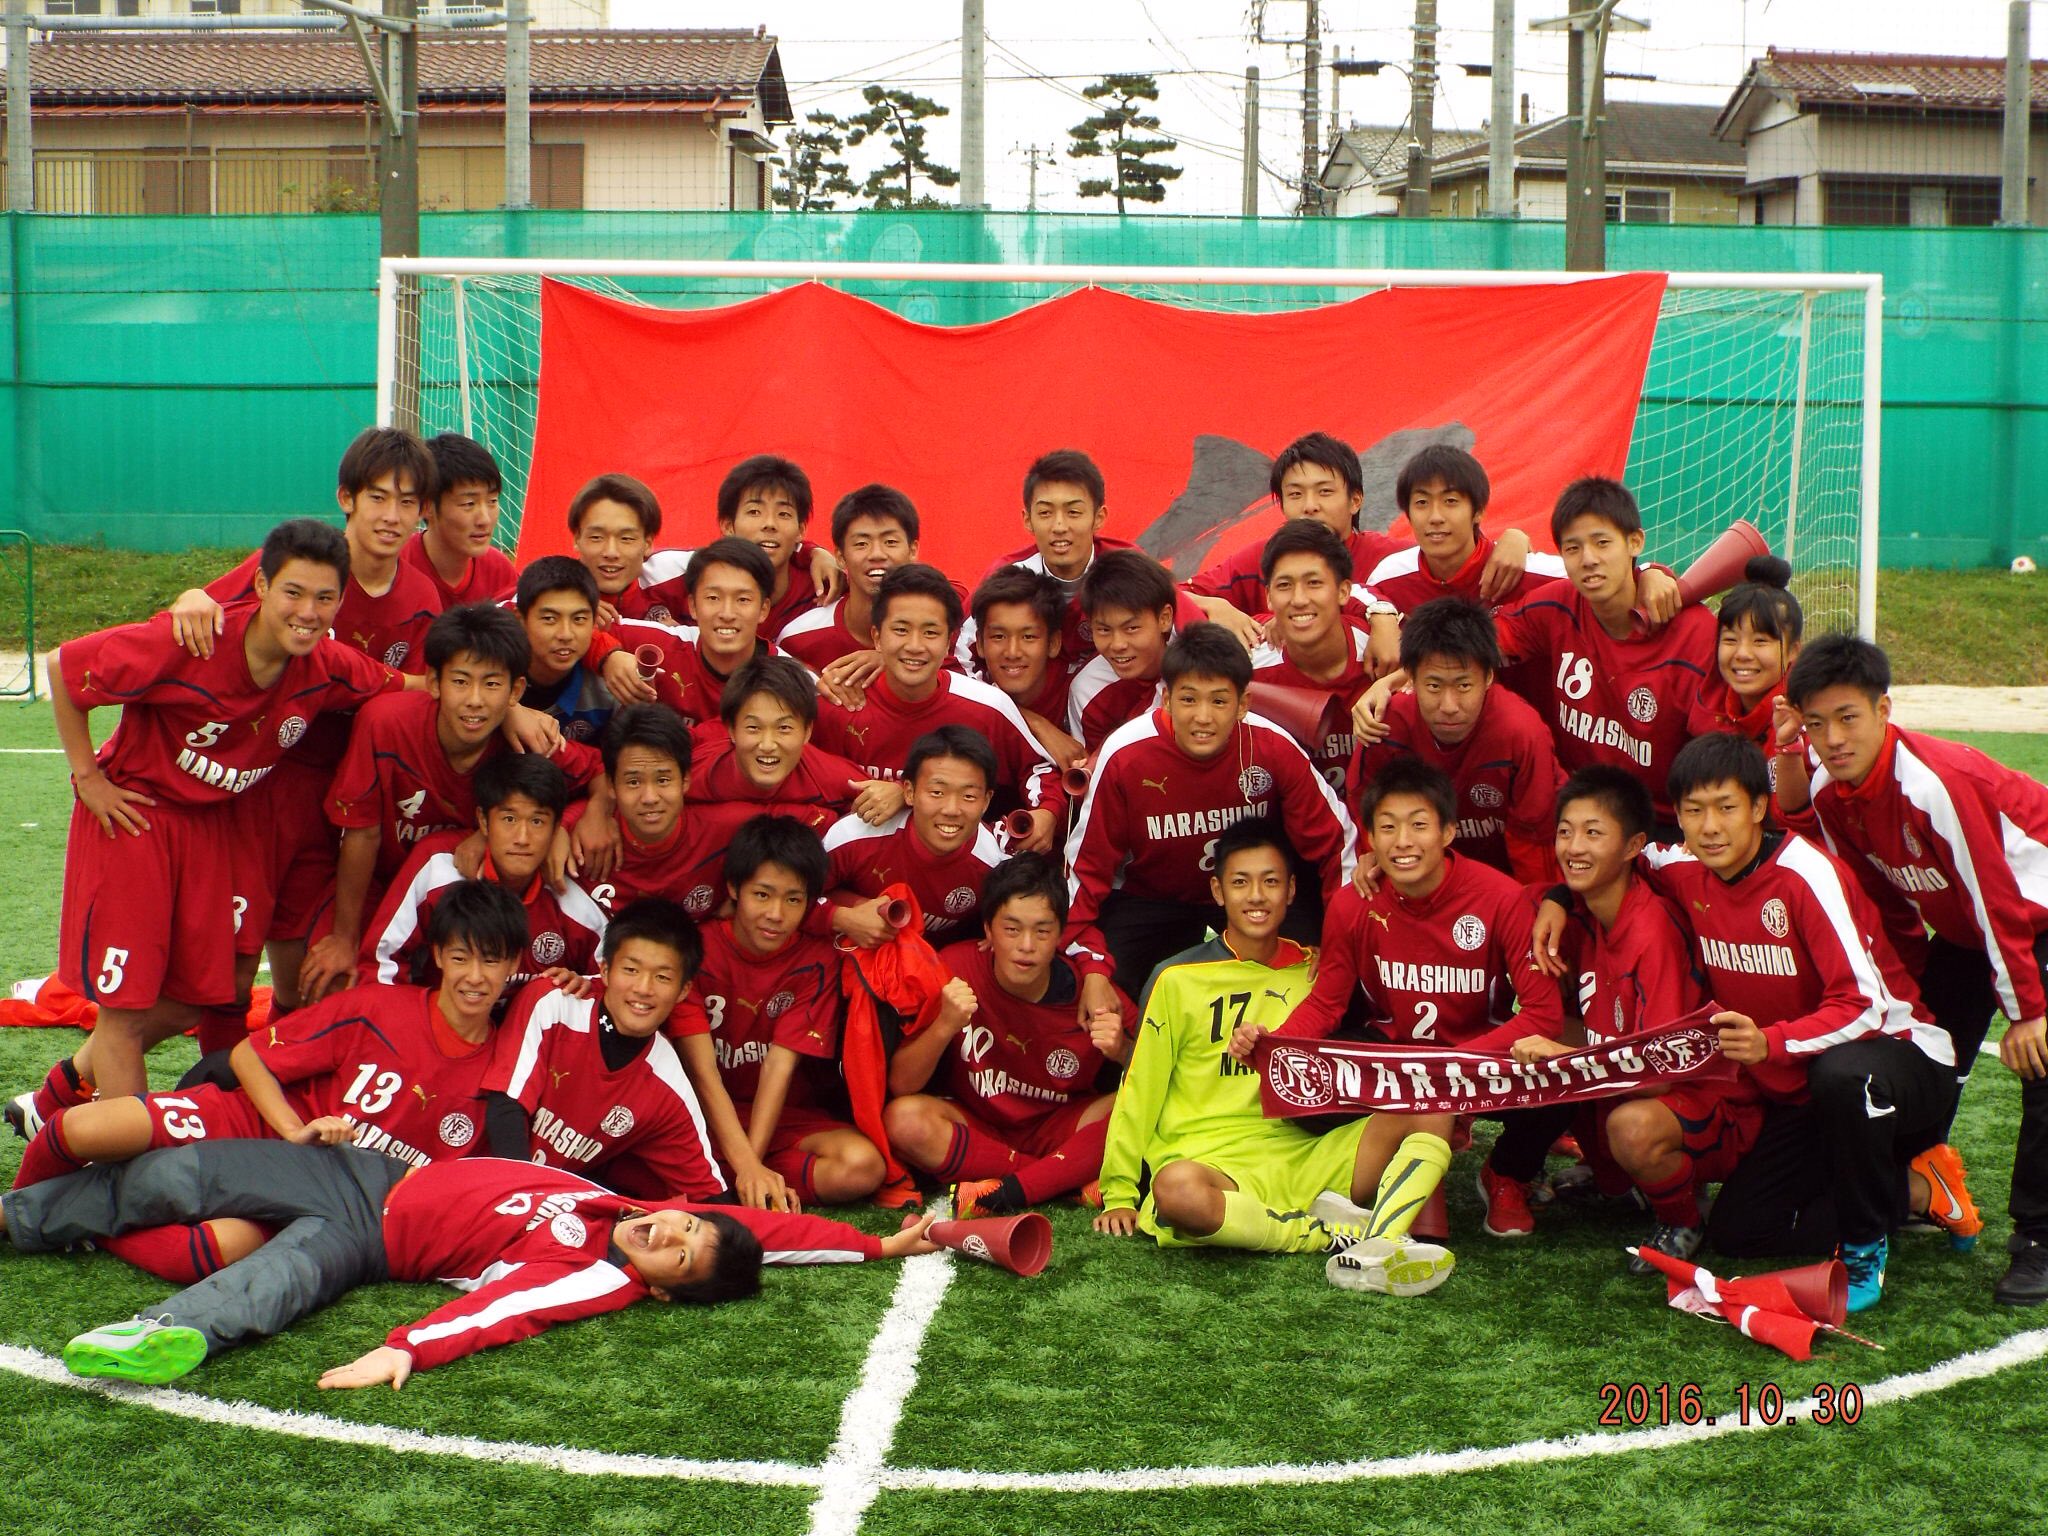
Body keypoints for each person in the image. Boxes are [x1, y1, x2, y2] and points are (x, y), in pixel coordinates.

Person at [3, 1139, 941, 1388]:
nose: (675, 1236)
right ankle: (17, 1220)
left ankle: (161, 1336)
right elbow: (756, 1229)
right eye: (685, 1228)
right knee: (171, 1177)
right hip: (363, 1169)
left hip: (367, 1238)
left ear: (660, 1289)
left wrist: (406, 1347)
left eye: (682, 1259)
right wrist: (874, 1245)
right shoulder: (632, 1209)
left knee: (276, 1283)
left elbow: (504, 1314)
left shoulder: (597, 1272)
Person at [27, 518, 404, 1119]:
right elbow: (64, 668)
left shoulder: (327, 665)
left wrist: (510, 710)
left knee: (194, 1001)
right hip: (137, 824)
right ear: (259, 585)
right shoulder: (192, 639)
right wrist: (88, 777)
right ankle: (130, 1171)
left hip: (210, 833)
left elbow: (415, 684)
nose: (308, 611)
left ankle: (58, 1098)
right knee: (125, 1013)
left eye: (325, 598)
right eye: (294, 593)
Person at [1585, 732, 1961, 1311]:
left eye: (1726, 807)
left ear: (1759, 807)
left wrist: (1771, 1042)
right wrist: (1559, 899)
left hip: (1899, 1055)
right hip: (1795, 1087)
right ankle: (1916, 1190)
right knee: (1739, 1233)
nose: (1709, 827)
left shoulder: (1807, 874)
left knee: (1843, 1075)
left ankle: (1863, 1248)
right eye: (1692, 810)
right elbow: (1616, 859)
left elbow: (1863, 1006)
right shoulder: (1684, 865)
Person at [12, 881, 529, 1281]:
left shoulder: (504, 1075)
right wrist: (290, 1127)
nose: (475, 977)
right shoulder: (378, 1008)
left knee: (211, 1250)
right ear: (438, 956)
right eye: (461, 958)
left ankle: (87, 1231)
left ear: (513, 965)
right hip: (254, 1124)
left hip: (309, 1190)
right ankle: (17, 1206)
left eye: (491, 960)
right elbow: (247, 1055)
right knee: (86, 1129)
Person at [1777, 634, 2046, 1305]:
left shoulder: (1935, 783)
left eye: (1848, 718)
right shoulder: (1826, 789)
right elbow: (1885, 903)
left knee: (2043, 1061)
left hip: (2030, 914)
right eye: (1816, 724)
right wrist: (1910, 992)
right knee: (1923, 1048)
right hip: (1968, 925)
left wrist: (2028, 1011)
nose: (1833, 738)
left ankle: (2038, 1238)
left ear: (1884, 710)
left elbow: (1997, 900)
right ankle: (1928, 1175)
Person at [1095, 819, 1456, 1297]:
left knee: (1434, 1105)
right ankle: (1327, 1236)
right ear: (1217, 891)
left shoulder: (1317, 970)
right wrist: (1119, 1192)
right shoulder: (1176, 978)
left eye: (1270, 882)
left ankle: (1380, 1238)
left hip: (1309, 1156)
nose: (1256, 896)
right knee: (1176, 1191)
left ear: (1290, 891)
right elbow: (1140, 1088)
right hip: (1212, 1165)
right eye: (1241, 882)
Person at [169, 430, 444, 1019]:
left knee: (307, 977)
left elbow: (421, 699)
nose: (391, 516)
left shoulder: (421, 597)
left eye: (407, 503)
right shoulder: (303, 566)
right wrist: (191, 595)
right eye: (377, 497)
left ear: (424, 512)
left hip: (338, 803)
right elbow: (201, 616)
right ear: (346, 498)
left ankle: (275, 1092)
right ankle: (207, 1090)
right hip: (253, 786)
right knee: (228, 975)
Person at [1248, 757, 1568, 1241]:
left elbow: (1544, 1012)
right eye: (1387, 827)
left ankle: (1506, 1173)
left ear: (1448, 832)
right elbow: (1328, 1002)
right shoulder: (1355, 902)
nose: (1402, 841)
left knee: (1561, 1076)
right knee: (1301, 1091)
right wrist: (1278, 1046)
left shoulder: (1501, 898)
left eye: (1418, 825)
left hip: (1476, 1062)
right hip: (1392, 1062)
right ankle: (1380, 1166)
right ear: (1370, 838)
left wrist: (1456, 1068)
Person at [1359, 476, 1711, 832]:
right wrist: (1390, 682)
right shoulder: (1556, 604)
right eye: (1573, 548)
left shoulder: (1694, 631)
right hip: (1578, 810)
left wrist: (1653, 570)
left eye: (1602, 543)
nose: (1588, 559)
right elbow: (1464, 647)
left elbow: (1717, 749)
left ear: (1635, 542)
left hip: (1670, 823)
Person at [307, 602, 606, 1000]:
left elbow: (602, 774)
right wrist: (344, 937)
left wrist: (565, 827)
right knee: (333, 981)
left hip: (462, 899)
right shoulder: (384, 723)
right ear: (434, 682)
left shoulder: (530, 741)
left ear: (516, 690)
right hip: (377, 884)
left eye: (493, 684)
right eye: (461, 681)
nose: (475, 700)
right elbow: (361, 835)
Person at [1514, 766, 1734, 1271]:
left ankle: (1684, 1215)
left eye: (1594, 833)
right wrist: (1554, 899)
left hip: (1701, 1102)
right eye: (1565, 832)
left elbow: (1661, 1072)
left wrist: (1566, 1058)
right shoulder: (1585, 913)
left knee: (1631, 1125)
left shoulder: (1651, 929)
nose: (1574, 847)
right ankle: (1615, 1179)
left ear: (1634, 845)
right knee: (1533, 1039)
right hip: (1628, 1078)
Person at [1066, 623, 1356, 998]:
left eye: (1219, 701)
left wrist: (1338, 940)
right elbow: (1085, 870)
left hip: (1258, 892)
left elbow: (1338, 845)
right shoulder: (1125, 754)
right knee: (1104, 986)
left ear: (1243, 704)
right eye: (1188, 700)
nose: (1203, 717)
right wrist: (1091, 966)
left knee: (1324, 976)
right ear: (1167, 699)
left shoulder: (1273, 745)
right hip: (1155, 900)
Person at [885, 854, 1135, 1215]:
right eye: (1012, 929)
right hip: (980, 1126)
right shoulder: (954, 968)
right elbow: (901, 1085)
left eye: (1042, 931)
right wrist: (943, 1026)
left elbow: (1162, 1077)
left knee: (1132, 1107)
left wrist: (1122, 1050)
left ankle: (1017, 1187)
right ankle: (1060, 1178)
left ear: (1061, 935)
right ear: (988, 929)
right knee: (903, 1120)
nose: (1027, 945)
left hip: (1062, 1124)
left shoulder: (1096, 993)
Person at [669, 816, 886, 1209]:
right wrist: (748, 1167)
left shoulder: (817, 958)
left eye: (793, 899)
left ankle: (735, 1180)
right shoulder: (696, 950)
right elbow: (703, 1073)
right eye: (763, 895)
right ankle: (741, 1178)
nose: (776, 914)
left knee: (862, 1166)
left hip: (775, 1117)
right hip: (699, 1112)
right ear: (734, 888)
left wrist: (748, 1165)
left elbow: (778, 1067)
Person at [483, 898, 726, 1201]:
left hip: (539, 1204)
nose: (644, 988)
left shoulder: (667, 1079)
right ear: (606, 970)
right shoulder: (554, 1001)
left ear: (684, 990)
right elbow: (506, 1106)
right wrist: (520, 1202)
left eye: (662, 977)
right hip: (473, 1172)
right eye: (631, 969)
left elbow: (709, 1197)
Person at [809, 564, 1063, 850]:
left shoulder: (988, 707)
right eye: (901, 630)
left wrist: (1047, 812)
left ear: (947, 644)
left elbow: (1040, 768)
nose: (915, 646)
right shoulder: (837, 703)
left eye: (930, 632)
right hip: (858, 877)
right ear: (877, 637)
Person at [1350, 597, 1561, 883]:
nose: (1449, 705)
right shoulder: (1382, 724)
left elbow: (1534, 841)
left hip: (1503, 878)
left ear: (1488, 677)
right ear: (1409, 677)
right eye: (1434, 686)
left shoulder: (1521, 732)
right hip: (1414, 870)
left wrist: (1531, 907)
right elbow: (1365, 810)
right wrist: (1372, 853)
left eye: (1463, 685)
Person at [360, 753, 607, 994]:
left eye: (537, 822)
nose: (522, 838)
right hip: (436, 1023)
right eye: (509, 819)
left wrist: (585, 988)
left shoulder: (570, 895)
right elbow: (380, 962)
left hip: (527, 1032)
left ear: (556, 829)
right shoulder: (439, 866)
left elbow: (613, 977)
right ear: (484, 821)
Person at [1182, 430, 1413, 663]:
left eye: (1325, 492)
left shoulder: (1397, 561)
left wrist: (1384, 618)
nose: (1310, 506)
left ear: (1355, 500)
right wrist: (1216, 606)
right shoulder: (1258, 559)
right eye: (1295, 494)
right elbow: (1164, 597)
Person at [817, 726, 1009, 950]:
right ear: (908, 791)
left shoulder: (994, 865)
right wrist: (841, 918)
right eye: (937, 792)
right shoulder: (854, 834)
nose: (952, 809)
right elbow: (790, 897)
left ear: (986, 801)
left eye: (968, 796)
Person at [1245, 519, 1377, 790]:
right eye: (1284, 586)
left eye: (1314, 583)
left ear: (1343, 591)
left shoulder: (1385, 650)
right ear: (1269, 597)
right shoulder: (1246, 662)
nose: (1299, 599)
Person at [1362, 444, 1565, 615]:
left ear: (1478, 511)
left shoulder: (1539, 576)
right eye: (1422, 502)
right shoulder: (1387, 581)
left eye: (1450, 501)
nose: (1435, 517)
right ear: (1407, 513)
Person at [684, 656, 866, 835]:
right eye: (754, 728)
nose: (767, 745)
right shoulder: (694, 774)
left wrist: (894, 793)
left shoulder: (832, 777)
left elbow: (881, 796)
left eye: (784, 728)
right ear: (731, 730)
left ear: (807, 732)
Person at [614, 537, 781, 728]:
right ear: (693, 606)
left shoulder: (790, 679)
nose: (726, 614)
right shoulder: (661, 643)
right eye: (713, 597)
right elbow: (580, 631)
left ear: (763, 609)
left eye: (742, 599)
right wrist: (608, 657)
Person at [777, 483, 927, 672]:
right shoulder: (797, 639)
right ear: (839, 557)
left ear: (912, 550)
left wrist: (892, 660)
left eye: (890, 542)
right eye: (862, 544)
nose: (877, 554)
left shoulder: (944, 623)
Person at [964, 565, 1084, 771]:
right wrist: (1036, 725)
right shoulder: (969, 688)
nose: (1012, 652)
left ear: (1054, 643)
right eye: (998, 636)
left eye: (1028, 637)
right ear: (980, 644)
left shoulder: (1083, 686)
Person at [1686, 555, 1802, 760]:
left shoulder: (1804, 719)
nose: (1742, 654)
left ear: (1793, 650)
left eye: (1760, 641)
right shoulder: (1710, 697)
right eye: (1730, 640)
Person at [1067, 549, 1179, 754]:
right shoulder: (1087, 690)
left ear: (1164, 618)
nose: (1117, 644)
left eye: (1131, 628)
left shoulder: (1197, 648)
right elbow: (1095, 772)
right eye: (1103, 630)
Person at [404, 432, 517, 609]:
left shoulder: (499, 571)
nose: (484, 519)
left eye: (492, 501)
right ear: (427, 507)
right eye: (468, 503)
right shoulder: (396, 568)